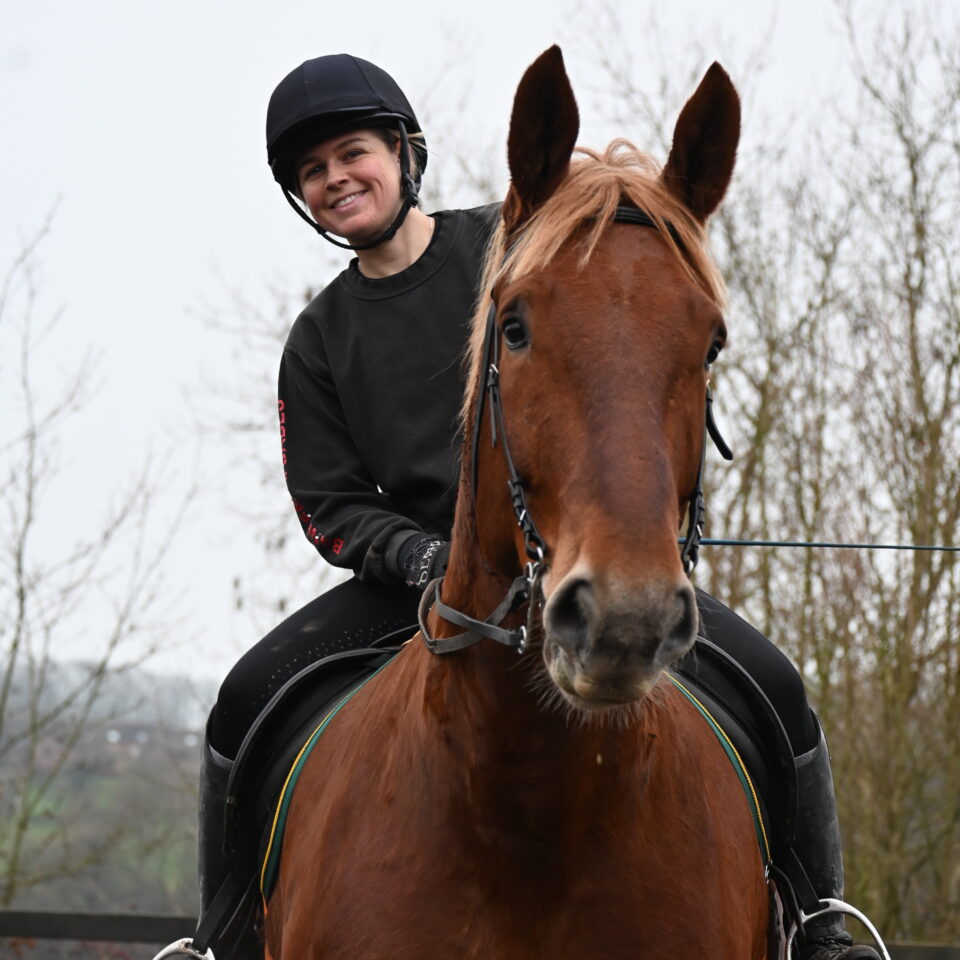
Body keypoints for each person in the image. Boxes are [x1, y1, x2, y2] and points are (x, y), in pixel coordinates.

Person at [193, 53, 879, 960]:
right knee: (244, 702)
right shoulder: (318, 340)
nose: (334, 180)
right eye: (311, 172)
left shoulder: (519, 247)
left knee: (778, 688)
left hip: (575, 546)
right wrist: (416, 557)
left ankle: (823, 922)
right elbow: (330, 504)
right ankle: (223, 937)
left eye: (351, 153)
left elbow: (617, 345)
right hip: (419, 584)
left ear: (404, 153)